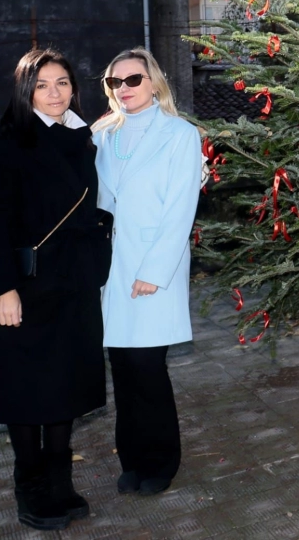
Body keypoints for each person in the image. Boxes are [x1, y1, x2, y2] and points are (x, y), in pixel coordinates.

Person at [0, 48, 111, 531]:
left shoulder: (86, 137)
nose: (54, 94)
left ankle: (60, 479)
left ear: (75, 88)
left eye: (62, 83)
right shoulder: (5, 146)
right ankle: (29, 482)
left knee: (68, 382)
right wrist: (3, 289)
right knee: (26, 386)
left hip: (76, 279)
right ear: (25, 91)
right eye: (42, 85)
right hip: (30, 283)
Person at [91, 48, 202, 496]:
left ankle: (162, 460)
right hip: (109, 268)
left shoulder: (179, 134)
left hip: (156, 265)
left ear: (153, 81)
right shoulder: (101, 134)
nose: (124, 88)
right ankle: (132, 458)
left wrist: (154, 272)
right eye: (115, 82)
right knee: (122, 365)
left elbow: (181, 209)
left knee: (147, 366)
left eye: (133, 79)